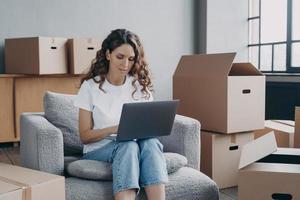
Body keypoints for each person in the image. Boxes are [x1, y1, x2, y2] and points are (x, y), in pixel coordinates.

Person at [73, 29, 168, 200]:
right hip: (99, 147)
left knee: (151, 143)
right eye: (120, 57)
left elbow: (150, 124)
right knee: (127, 146)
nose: (125, 64)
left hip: (135, 142)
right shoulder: (90, 87)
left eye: (131, 59)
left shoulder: (139, 86)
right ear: (108, 54)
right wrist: (116, 129)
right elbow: (84, 136)